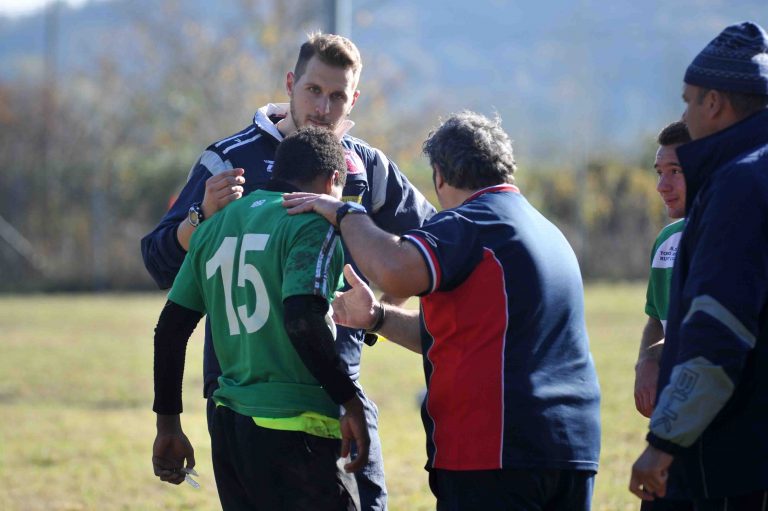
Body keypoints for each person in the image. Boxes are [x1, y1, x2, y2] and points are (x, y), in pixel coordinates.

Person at [141, 33, 434, 510]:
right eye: (314, 90)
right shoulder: (230, 160)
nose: (323, 107)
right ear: (291, 84)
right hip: (239, 385)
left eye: (337, 96)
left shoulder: (365, 166)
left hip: (332, 383)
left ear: (354, 99)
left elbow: (431, 244)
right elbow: (159, 263)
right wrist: (199, 217)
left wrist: (381, 311)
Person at [283, 111, 601, 510]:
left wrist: (344, 212)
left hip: (497, 451)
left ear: (440, 176)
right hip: (571, 447)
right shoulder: (545, 229)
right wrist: (377, 317)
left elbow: (395, 270)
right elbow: (464, 334)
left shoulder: (471, 222)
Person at [151, 127, 368, 510]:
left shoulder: (214, 226)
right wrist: (350, 401)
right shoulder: (312, 222)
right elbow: (302, 318)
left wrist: (168, 425)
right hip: (299, 426)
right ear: (333, 180)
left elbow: (170, 330)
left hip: (230, 430)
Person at [629, 21, 768, 509]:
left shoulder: (739, 186)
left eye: (688, 101)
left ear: (714, 102)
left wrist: (665, 441)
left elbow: (720, 328)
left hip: (733, 460)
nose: (685, 115)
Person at [633, 121, 693, 511]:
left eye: (675, 171)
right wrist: (647, 360)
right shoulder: (667, 241)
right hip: (669, 420)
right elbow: (657, 318)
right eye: (659, 172)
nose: (662, 185)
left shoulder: (736, 234)